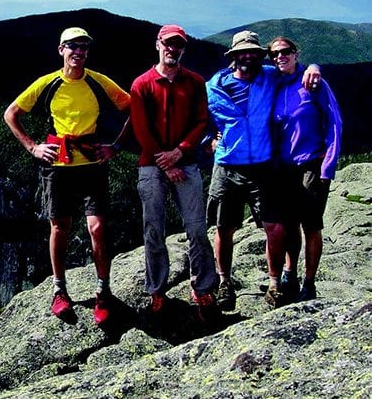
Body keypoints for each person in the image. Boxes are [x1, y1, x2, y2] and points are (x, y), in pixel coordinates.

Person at [4, 27, 130, 324]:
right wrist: (33, 147)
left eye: (83, 47)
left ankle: (103, 290)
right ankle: (59, 290)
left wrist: (116, 146)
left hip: (90, 163)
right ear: (61, 50)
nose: (78, 52)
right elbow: (11, 113)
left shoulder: (99, 82)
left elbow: (133, 108)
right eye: (72, 46)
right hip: (57, 165)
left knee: (97, 228)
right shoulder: (48, 84)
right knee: (59, 227)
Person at [206, 30, 319, 311]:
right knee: (224, 227)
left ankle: (274, 283)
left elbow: (295, 69)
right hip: (228, 165)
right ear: (233, 56)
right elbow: (199, 117)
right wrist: (207, 139)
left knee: (275, 227)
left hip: (262, 167)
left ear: (259, 56)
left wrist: (315, 67)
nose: (249, 57)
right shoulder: (214, 86)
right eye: (243, 52)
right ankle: (224, 282)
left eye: (254, 53)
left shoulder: (270, 77)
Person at [129, 25, 218, 321]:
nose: (172, 49)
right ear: (158, 45)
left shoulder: (194, 83)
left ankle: (203, 287)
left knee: (196, 229)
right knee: (154, 230)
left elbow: (201, 121)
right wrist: (168, 163)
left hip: (185, 162)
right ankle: (156, 290)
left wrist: (179, 153)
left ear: (183, 49)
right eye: (168, 44)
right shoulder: (141, 84)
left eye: (177, 45)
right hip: (152, 164)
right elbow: (141, 129)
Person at [267, 36, 342, 302]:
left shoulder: (314, 84)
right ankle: (290, 273)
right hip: (284, 168)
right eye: (273, 54)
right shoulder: (274, 83)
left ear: (296, 53)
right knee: (289, 226)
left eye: (285, 52)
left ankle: (309, 283)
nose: (279, 57)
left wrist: (328, 167)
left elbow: (334, 123)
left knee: (311, 225)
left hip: (313, 164)